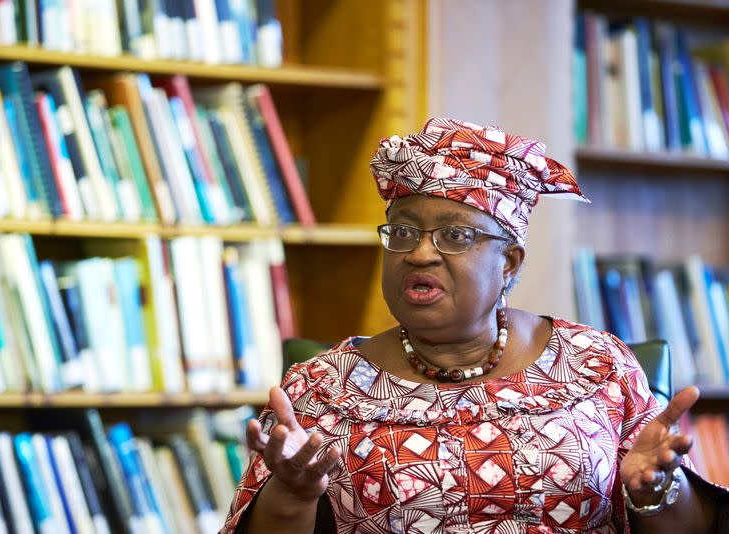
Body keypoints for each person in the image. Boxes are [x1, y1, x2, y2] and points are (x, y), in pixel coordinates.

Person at [220, 118, 728, 533]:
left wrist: (658, 492)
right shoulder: (320, 389)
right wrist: (290, 496)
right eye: (402, 232)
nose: (419, 253)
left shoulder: (597, 366)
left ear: (508, 262)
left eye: (455, 235)